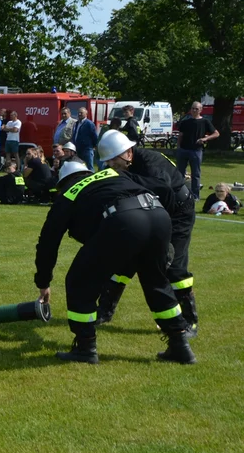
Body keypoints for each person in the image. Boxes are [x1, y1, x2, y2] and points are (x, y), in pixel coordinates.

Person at [34, 160, 195, 365]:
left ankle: (85, 347)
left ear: (63, 182)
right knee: (156, 283)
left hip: (123, 220)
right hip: (158, 215)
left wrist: (43, 282)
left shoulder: (68, 194)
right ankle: (180, 344)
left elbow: (48, 241)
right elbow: (163, 188)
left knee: (79, 281)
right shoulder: (115, 174)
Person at [95, 130, 200, 338]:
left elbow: (164, 190)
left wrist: (162, 234)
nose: (111, 166)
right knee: (124, 260)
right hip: (151, 211)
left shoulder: (149, 162)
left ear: (127, 153)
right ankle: (104, 311)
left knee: (175, 267)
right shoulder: (129, 164)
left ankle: (189, 322)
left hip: (178, 212)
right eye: (108, 162)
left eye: (114, 160)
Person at [175, 101, 218, 201]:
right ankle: (179, 194)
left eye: (196, 109)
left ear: (200, 110)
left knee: (196, 174)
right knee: (179, 174)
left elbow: (216, 133)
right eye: (193, 108)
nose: (194, 110)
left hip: (196, 151)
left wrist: (205, 139)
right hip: (183, 150)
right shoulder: (185, 122)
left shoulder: (205, 122)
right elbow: (181, 135)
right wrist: (178, 148)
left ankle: (195, 196)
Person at [72, 107, 98, 171]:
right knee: (80, 166)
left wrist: (94, 146)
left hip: (87, 149)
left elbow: (94, 136)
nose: (80, 114)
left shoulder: (89, 124)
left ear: (86, 114)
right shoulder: (77, 123)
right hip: (78, 149)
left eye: (81, 113)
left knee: (90, 167)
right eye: (79, 113)